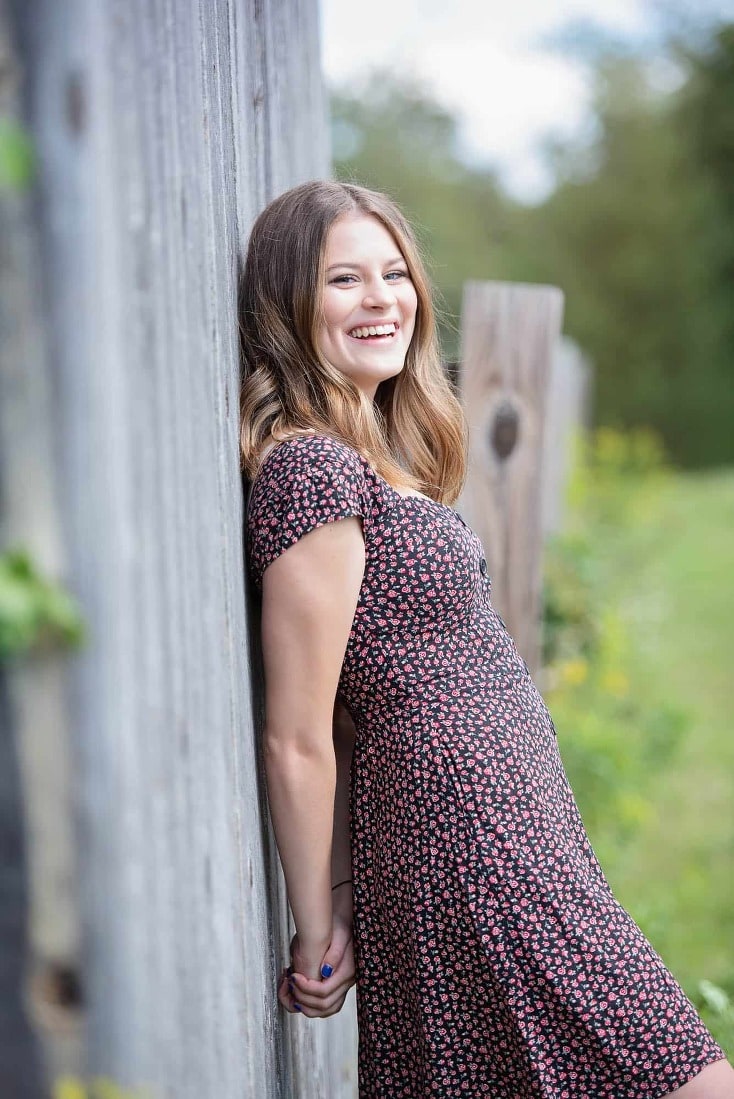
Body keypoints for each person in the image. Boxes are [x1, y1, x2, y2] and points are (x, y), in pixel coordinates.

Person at [239, 179, 733, 1098]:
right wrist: (319, 923)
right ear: (287, 305)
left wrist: (345, 890)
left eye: (394, 273)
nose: (382, 298)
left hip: (512, 827)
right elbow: (302, 731)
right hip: (468, 838)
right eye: (345, 279)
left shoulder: (369, 458)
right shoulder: (311, 471)